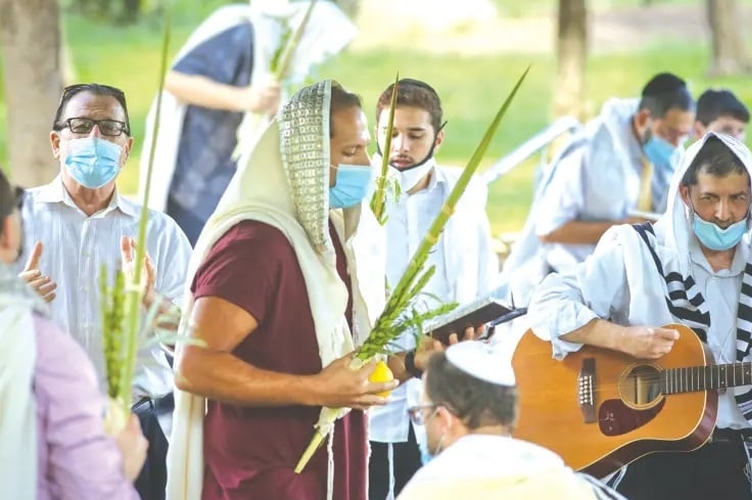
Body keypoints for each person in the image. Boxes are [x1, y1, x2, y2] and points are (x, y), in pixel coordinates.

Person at [167, 80, 476, 500]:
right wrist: (315, 389)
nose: (367, 163)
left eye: (365, 148)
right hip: (266, 475)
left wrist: (411, 361)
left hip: (323, 468)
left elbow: (335, 362)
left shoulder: (324, 235)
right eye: (350, 153)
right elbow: (194, 366)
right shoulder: (254, 245)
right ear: (304, 160)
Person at [528, 132, 752, 500]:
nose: (723, 215)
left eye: (737, 199)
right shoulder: (638, 251)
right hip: (645, 458)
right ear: (685, 194)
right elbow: (547, 303)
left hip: (737, 460)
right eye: (710, 199)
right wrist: (620, 338)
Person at [17, 83, 192, 500]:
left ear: (126, 147)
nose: (95, 138)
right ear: (57, 142)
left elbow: (190, 343)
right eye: (81, 126)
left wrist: (151, 301)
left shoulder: (159, 232)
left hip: (133, 430)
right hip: (37, 431)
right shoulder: (15, 220)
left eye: (110, 129)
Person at [367, 78, 498, 500]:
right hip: (373, 390)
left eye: (415, 135)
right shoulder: (354, 199)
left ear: (438, 138)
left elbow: (482, 285)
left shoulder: (463, 201)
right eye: (391, 135)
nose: (400, 146)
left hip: (443, 384)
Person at [139, 0, 357, 245]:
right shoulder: (242, 36)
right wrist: (246, 99)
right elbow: (176, 81)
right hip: (196, 186)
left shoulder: (285, 72)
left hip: (232, 192)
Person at [0, 168, 147, 500]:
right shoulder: (42, 350)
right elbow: (93, 490)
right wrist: (122, 463)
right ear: (9, 232)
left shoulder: (161, 230)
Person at [501, 72, 695, 307]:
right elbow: (548, 229)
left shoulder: (670, 155)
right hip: (570, 278)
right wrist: (625, 228)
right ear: (644, 119)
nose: (675, 145)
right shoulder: (589, 151)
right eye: (668, 134)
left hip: (630, 278)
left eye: (682, 136)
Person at [397, 341, 626, 500]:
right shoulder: (572, 485)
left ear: (443, 418)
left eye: (422, 412)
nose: (423, 422)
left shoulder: (425, 491)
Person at [693, 88, 752, 237]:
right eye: (726, 129)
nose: (736, 138)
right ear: (698, 130)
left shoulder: (744, 176)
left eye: (741, 130)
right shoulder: (687, 177)